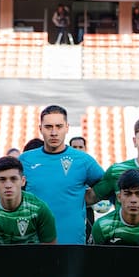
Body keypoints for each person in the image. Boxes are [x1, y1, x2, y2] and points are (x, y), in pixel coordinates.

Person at [20, 105, 104, 245]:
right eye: (48, 127)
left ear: (67, 128)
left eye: (59, 126)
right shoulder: (25, 160)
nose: (54, 132)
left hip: (72, 246)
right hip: (34, 245)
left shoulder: (83, 160)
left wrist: (90, 197)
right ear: (40, 128)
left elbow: (106, 184)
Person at [0, 156, 57, 245]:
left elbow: (50, 252)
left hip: (33, 258)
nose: (8, 185)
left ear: (23, 181)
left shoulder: (39, 209)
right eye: (2, 179)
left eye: (13, 179)